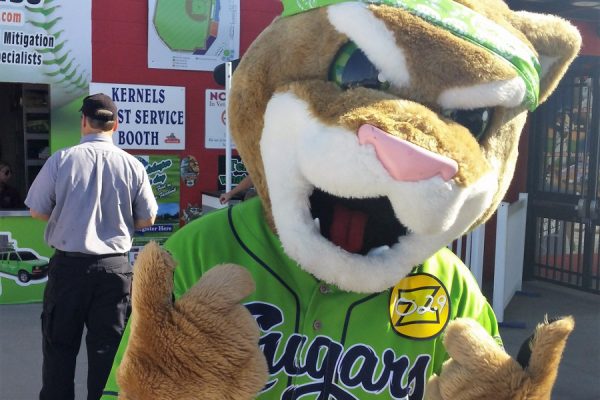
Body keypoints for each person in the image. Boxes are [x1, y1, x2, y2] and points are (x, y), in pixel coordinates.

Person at [25, 93, 158, 400]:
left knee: (59, 353)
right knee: (108, 357)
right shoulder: (132, 165)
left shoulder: (62, 159)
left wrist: (68, 217)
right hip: (115, 272)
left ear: (83, 122)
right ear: (116, 125)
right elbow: (148, 218)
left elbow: (37, 210)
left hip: (68, 271)